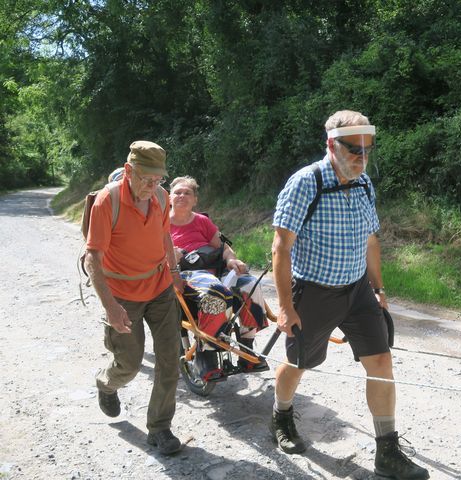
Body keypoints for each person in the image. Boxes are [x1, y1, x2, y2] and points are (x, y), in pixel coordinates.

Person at [271, 111, 429, 479]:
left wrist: (378, 288)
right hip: (314, 290)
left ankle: (387, 450)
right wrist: (285, 306)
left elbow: (371, 239)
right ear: (331, 145)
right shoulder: (306, 182)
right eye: (353, 149)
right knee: (300, 363)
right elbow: (281, 247)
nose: (361, 157)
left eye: (367, 150)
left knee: (381, 361)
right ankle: (281, 416)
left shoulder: (363, 183)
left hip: (357, 289)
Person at [85, 140, 183, 456]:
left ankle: (160, 428)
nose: (152, 187)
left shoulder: (160, 196)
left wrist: (174, 271)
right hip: (123, 295)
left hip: (160, 288)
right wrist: (110, 307)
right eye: (146, 179)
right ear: (128, 171)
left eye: (158, 180)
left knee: (170, 361)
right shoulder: (106, 202)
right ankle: (107, 382)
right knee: (129, 364)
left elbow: (164, 234)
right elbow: (93, 259)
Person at [169, 176, 269, 372]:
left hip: (216, 270)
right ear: (169, 197)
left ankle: (247, 346)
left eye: (187, 193)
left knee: (251, 285)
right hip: (185, 274)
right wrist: (170, 255)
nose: (182, 196)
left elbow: (224, 245)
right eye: (177, 192)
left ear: (195, 199)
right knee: (216, 290)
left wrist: (232, 259)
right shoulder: (160, 224)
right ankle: (206, 353)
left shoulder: (203, 221)